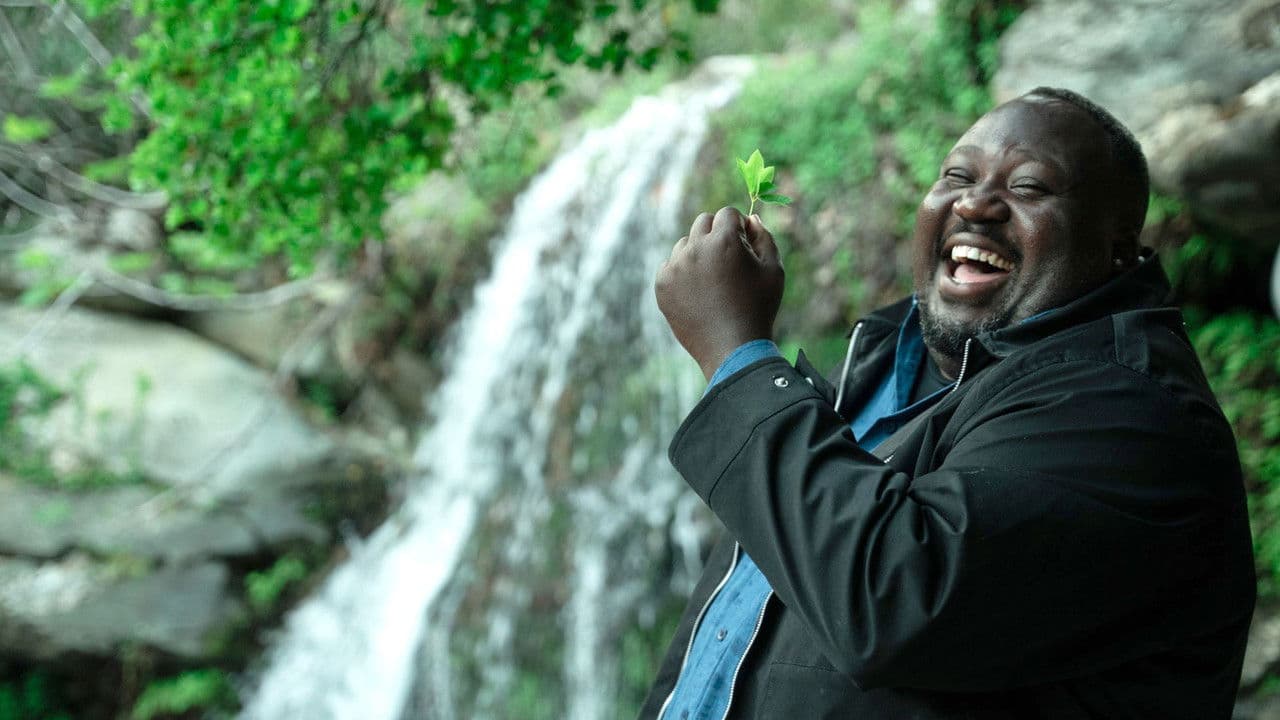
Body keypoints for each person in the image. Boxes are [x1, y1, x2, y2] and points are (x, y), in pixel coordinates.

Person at [644, 87, 1256, 719]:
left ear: (1118, 245)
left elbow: (892, 600)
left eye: (1029, 187)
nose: (973, 202)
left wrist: (736, 354)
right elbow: (727, 631)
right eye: (957, 176)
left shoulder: (1132, 414)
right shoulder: (875, 359)